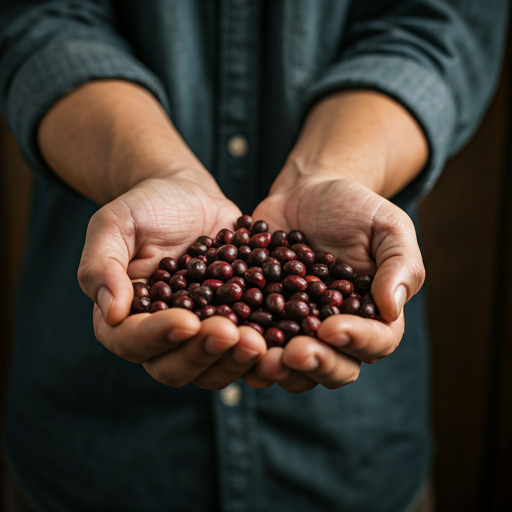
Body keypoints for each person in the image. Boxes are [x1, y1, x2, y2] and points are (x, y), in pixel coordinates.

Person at [0, 1, 506, 511]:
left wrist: (334, 170)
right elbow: (39, 21)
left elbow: (438, 27)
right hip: (92, 452)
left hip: (351, 459)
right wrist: (152, 171)